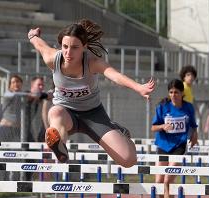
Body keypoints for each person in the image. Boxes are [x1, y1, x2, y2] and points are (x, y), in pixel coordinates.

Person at [28, 19, 156, 167]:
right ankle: (60, 149)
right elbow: (39, 44)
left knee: (128, 161)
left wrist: (138, 87)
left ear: (84, 47)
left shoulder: (92, 62)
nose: (68, 53)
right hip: (65, 112)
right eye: (65, 47)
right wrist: (33, 35)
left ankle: (116, 129)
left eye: (75, 47)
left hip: (93, 115)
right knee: (55, 112)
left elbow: (115, 75)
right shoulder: (53, 58)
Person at [151, 79, 198, 198]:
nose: (173, 95)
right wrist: (163, 126)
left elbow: (193, 126)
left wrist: (194, 136)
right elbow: (153, 127)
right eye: (171, 92)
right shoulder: (163, 107)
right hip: (163, 144)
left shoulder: (188, 107)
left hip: (179, 145)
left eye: (176, 92)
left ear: (182, 93)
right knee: (158, 181)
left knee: (168, 180)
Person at [0, 74, 25, 141]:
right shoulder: (8, 94)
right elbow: (10, 94)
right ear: (9, 85)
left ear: (21, 84)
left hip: (17, 130)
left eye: (18, 81)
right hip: (5, 128)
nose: (16, 84)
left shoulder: (22, 97)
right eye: (13, 82)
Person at [27, 76, 53, 142]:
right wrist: (46, 95)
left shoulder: (40, 96)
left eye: (42, 85)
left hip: (26, 128)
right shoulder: (26, 93)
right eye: (39, 85)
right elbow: (33, 95)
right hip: (13, 129)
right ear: (32, 85)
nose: (41, 87)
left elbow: (48, 96)